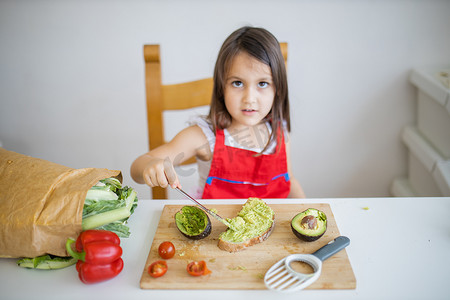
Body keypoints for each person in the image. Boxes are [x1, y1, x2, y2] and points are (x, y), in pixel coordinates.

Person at [131, 26, 305, 199]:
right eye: (237, 83)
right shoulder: (204, 136)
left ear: (278, 88)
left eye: (262, 83)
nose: (249, 98)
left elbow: (288, 180)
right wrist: (150, 165)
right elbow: (137, 167)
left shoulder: (279, 131)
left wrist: (308, 208)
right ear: (222, 87)